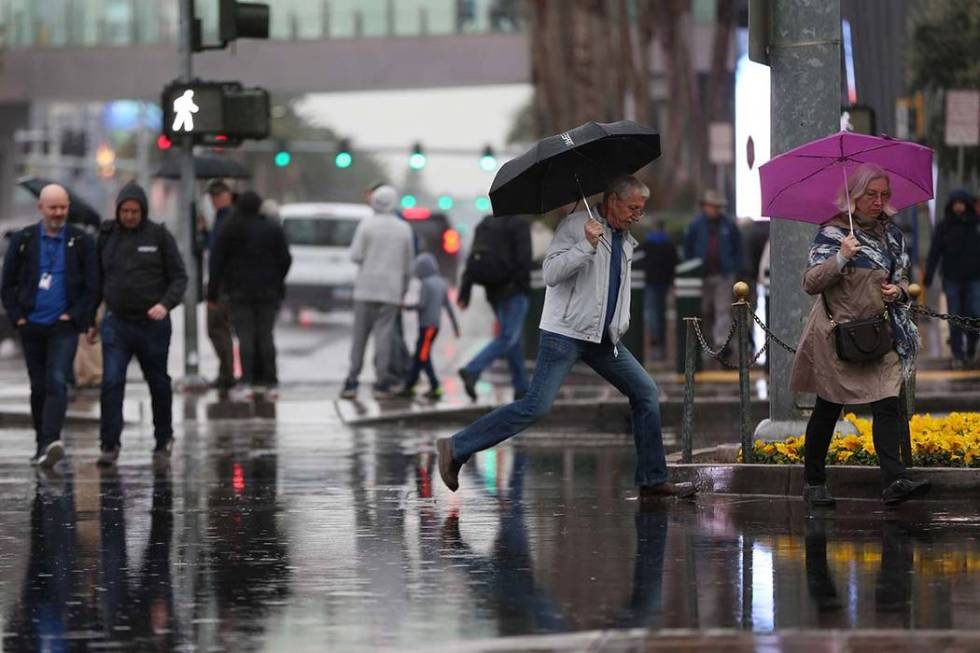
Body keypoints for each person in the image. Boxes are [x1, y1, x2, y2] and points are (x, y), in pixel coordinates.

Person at [436, 176, 696, 499]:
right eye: (632, 208)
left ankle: (652, 480)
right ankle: (456, 447)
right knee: (536, 406)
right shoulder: (576, 225)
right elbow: (550, 273)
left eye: (640, 211)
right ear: (612, 200)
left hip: (604, 338)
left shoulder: (624, 237)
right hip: (565, 333)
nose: (635, 216)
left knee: (646, 392)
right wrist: (585, 245)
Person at [791, 163, 930, 507]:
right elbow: (810, 283)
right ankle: (814, 483)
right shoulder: (834, 233)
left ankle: (894, 480)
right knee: (828, 408)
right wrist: (840, 258)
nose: (878, 201)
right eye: (871, 194)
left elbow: (902, 279)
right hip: (837, 336)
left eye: (884, 195)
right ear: (853, 196)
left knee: (886, 404)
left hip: (879, 333)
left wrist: (897, 292)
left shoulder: (893, 236)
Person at [1, 184, 98, 468]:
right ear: (40, 208)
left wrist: (76, 315)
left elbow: (92, 286)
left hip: (63, 326)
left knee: (57, 380)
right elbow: (7, 284)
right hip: (31, 325)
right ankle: (41, 444)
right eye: (53, 207)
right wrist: (18, 316)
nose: (58, 213)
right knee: (39, 386)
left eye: (63, 207)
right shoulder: (23, 239)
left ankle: (51, 440)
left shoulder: (81, 241)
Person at [93, 182, 188, 467]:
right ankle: (109, 444)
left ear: (143, 211)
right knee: (111, 382)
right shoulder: (107, 236)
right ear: (118, 210)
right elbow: (96, 280)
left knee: (158, 383)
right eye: (125, 210)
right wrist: (89, 320)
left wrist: (165, 304)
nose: (130, 216)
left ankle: (163, 439)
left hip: (152, 325)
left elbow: (179, 277)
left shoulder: (159, 236)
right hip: (117, 323)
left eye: (135, 211)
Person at [208, 190, 292, 400]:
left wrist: (213, 293)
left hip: (238, 292)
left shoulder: (230, 229)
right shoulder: (273, 229)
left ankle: (246, 381)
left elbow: (217, 263)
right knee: (266, 336)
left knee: (245, 337)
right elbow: (285, 259)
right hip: (268, 292)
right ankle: (270, 382)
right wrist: (276, 280)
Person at [341, 185, 415, 399]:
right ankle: (381, 382)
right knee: (384, 338)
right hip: (391, 291)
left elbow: (355, 255)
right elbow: (409, 266)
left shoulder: (366, 225)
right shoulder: (403, 229)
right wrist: (403, 290)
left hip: (365, 289)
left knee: (359, 338)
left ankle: (352, 381)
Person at [457, 213, 531, 401]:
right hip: (513, 290)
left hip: (493, 290)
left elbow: (472, 258)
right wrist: (523, 285)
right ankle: (472, 369)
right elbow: (524, 258)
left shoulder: (485, 223)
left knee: (513, 339)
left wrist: (465, 290)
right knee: (507, 336)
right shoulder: (519, 223)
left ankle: (521, 387)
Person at [923, 190, 980, 369]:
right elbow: (934, 252)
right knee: (954, 316)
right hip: (951, 278)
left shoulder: (976, 224)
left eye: (961, 202)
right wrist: (928, 276)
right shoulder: (944, 226)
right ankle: (957, 353)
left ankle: (971, 346)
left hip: (974, 277)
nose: (958, 206)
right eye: (955, 203)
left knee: (975, 313)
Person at [683, 190, 743, 352]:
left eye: (717, 206)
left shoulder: (728, 224)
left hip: (723, 274)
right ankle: (707, 342)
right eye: (711, 206)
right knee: (704, 310)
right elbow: (687, 248)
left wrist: (735, 267)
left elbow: (738, 247)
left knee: (722, 309)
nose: (714, 210)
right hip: (702, 275)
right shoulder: (696, 224)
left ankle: (721, 343)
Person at [399, 253, 460, 399]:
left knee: (423, 356)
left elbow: (422, 305)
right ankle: (409, 385)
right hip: (435, 326)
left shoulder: (426, 283)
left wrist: (406, 307)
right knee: (419, 356)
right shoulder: (441, 283)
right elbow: (448, 307)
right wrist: (455, 327)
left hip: (426, 326)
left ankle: (435, 386)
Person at [205, 180, 237, 391]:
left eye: (218, 196)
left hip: (224, 286)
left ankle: (227, 374)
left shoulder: (227, 220)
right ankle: (228, 373)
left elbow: (218, 257)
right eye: (213, 197)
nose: (215, 200)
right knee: (222, 330)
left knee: (217, 329)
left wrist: (213, 293)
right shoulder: (224, 219)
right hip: (230, 285)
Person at [637, 220, 678, 361]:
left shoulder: (647, 244)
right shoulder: (669, 244)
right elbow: (675, 264)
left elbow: (639, 260)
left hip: (650, 282)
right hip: (664, 283)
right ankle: (661, 342)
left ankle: (656, 342)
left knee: (652, 313)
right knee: (661, 313)